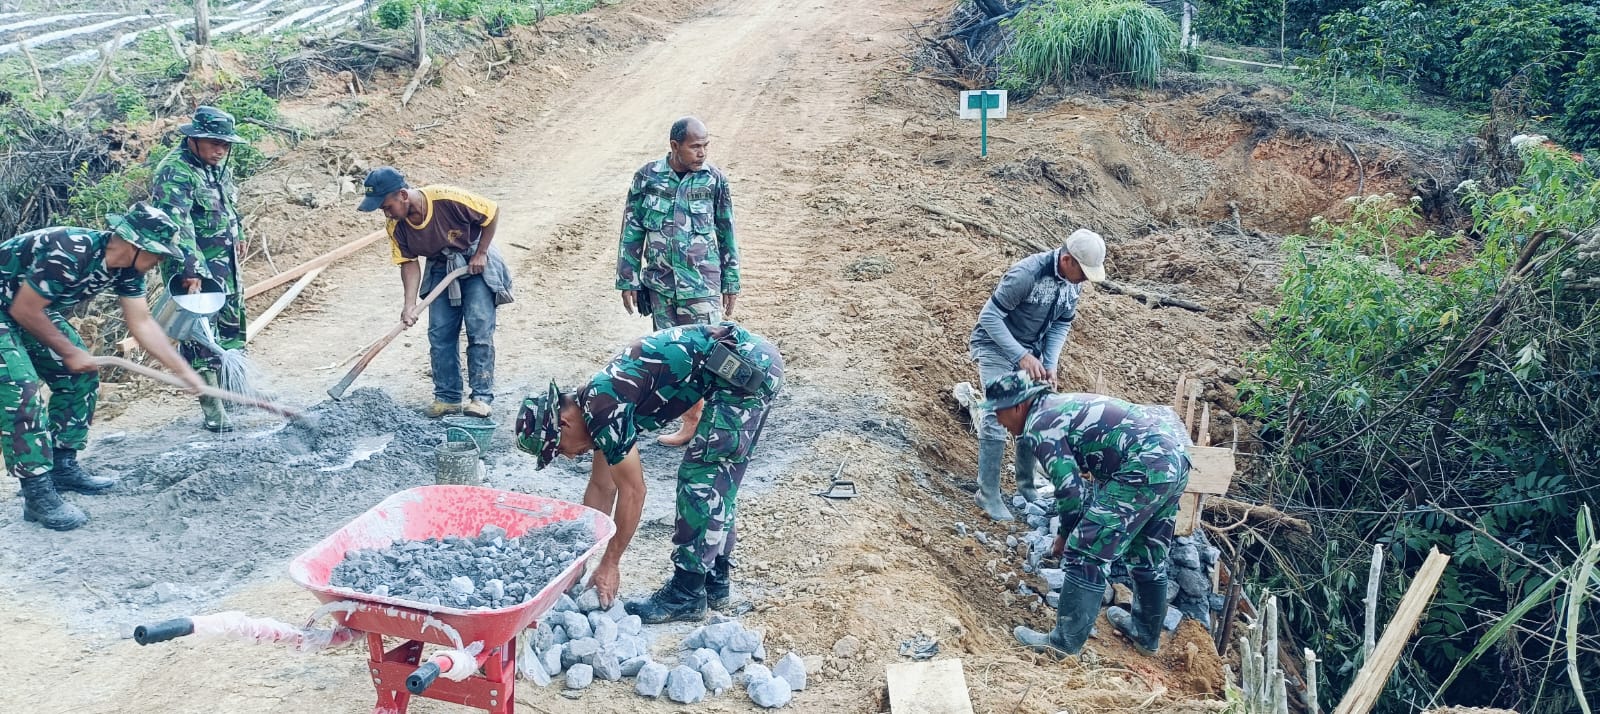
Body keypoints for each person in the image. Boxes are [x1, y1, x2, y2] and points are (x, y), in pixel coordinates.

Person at [515, 322, 783, 624]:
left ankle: (687, 592)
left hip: (745, 370)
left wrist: (610, 563)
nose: (567, 455)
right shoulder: (595, 407)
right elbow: (603, 488)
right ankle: (714, 581)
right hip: (744, 365)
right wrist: (579, 563)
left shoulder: (603, 410)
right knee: (718, 481)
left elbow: (633, 491)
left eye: (558, 448)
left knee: (702, 479)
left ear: (563, 423)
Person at [1, 204, 206, 531]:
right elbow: (26, 310)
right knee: (20, 389)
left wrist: (182, 369)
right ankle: (37, 495)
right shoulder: (70, 253)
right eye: (157, 253)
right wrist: (69, 351)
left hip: (23, 306)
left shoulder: (128, 269)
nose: (160, 261)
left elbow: (141, 323)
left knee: (80, 373)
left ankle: (62, 467)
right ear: (134, 244)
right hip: (14, 307)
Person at [980, 372, 1190, 657]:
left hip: (1144, 464)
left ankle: (1063, 645)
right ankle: (1145, 635)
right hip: (1174, 459)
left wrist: (1065, 536)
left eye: (997, 412)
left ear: (1017, 406)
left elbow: (1071, 492)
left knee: (1085, 550)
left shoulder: (1041, 423)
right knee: (1148, 552)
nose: (998, 421)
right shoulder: (1058, 405)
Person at [616, 116, 741, 447]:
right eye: (695, 146)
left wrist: (731, 280)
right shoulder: (647, 178)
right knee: (673, 356)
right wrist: (627, 277)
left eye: (705, 146)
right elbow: (632, 229)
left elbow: (727, 231)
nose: (702, 153)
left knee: (713, 354)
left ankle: (722, 425)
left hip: (701, 286)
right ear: (675, 146)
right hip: (660, 286)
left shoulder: (714, 181)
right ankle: (691, 422)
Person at [968, 228, 1106, 521]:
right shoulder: (1026, 274)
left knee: (1035, 414)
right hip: (997, 347)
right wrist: (1021, 356)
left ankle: (1026, 487)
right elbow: (989, 317)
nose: (1085, 279)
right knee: (997, 414)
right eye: (1083, 271)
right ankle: (988, 493)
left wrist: (1050, 363)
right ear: (1068, 260)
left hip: (1032, 352)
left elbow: (1061, 325)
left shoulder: (1073, 283)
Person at [358, 166, 513, 418]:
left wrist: (482, 252)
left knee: (479, 326)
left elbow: (491, 211)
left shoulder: (446, 197)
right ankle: (448, 398)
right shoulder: (395, 226)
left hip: (473, 260)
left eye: (387, 206)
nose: (385, 213)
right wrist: (409, 304)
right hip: (441, 266)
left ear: (403, 195)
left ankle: (481, 397)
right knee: (440, 333)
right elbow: (408, 263)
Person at [150, 105, 249, 432]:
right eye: (213, 142)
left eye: (226, 144)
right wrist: (191, 270)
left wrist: (240, 234)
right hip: (193, 269)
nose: (221, 149)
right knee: (200, 338)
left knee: (232, 326)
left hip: (226, 263)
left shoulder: (219, 167)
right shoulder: (175, 171)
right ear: (193, 139)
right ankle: (214, 410)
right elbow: (177, 226)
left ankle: (237, 394)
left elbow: (228, 206)